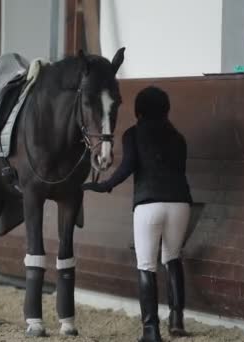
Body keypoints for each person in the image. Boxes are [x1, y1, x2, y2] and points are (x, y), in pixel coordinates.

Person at [82, 86, 192, 342]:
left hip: (148, 205)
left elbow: (128, 166)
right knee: (173, 259)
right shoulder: (178, 138)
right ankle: (176, 321)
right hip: (180, 204)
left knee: (146, 266)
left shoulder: (133, 134)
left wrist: (104, 185)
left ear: (139, 110)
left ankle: (151, 331)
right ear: (166, 109)